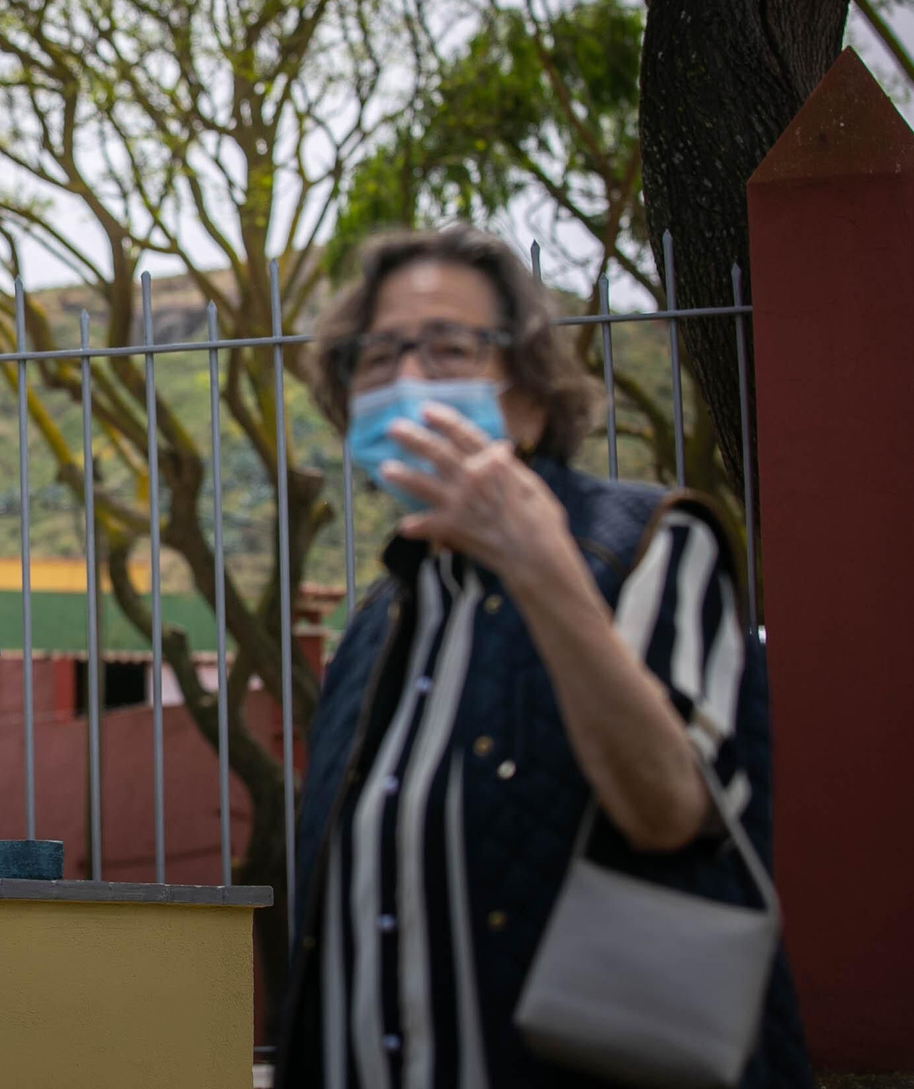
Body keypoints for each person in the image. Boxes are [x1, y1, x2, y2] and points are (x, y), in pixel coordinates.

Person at [275, 227, 807, 1087]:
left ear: (526, 395)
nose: (407, 380)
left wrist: (539, 564)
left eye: (448, 348)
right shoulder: (377, 624)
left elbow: (672, 811)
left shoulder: (653, 546)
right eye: (376, 357)